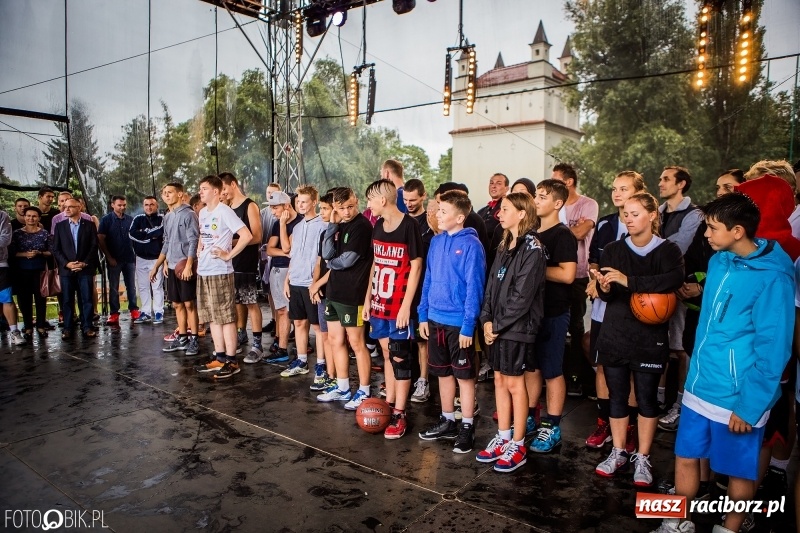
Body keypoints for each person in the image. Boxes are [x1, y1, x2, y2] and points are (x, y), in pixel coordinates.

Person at [651, 192, 794, 533]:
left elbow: (774, 348)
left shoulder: (774, 277)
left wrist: (751, 405)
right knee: (684, 456)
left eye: (713, 228)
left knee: (738, 471)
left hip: (738, 397)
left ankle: (728, 529)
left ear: (738, 231)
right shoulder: (719, 261)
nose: (706, 235)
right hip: (700, 387)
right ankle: (675, 521)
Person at [592, 192, 683, 486]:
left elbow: (672, 281)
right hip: (616, 330)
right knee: (617, 396)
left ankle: (642, 456)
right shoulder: (613, 250)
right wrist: (603, 285)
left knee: (645, 398)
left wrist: (629, 281)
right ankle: (618, 451)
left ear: (652, 215)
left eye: (635, 214)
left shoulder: (668, 251)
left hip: (650, 336)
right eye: (625, 214)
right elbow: (609, 293)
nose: (628, 219)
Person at [476, 192, 545, 472]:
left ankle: (518, 443)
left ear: (521, 213)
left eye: (505, 209)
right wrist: (487, 320)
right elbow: (491, 286)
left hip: (517, 329)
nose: (498, 214)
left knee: (516, 385)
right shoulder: (505, 244)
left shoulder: (534, 249)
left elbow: (522, 296)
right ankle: (503, 436)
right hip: (498, 327)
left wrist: (498, 325)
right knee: (500, 382)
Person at [417, 190, 486, 452]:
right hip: (434, 318)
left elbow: (474, 288)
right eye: (437, 210)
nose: (436, 215)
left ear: (459, 217)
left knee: (465, 378)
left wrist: (469, 325)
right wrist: (423, 314)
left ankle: (466, 426)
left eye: (442, 211)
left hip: (459, 323)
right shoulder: (436, 242)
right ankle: (448, 420)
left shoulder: (472, 245)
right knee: (443, 373)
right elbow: (428, 280)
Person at [585, 171, 647, 451]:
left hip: (635, 312)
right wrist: (593, 280)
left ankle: (630, 428)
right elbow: (593, 261)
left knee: (631, 372)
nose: (617, 193)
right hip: (603, 311)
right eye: (614, 189)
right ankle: (604, 424)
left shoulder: (650, 231)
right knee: (601, 367)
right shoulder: (607, 223)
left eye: (624, 188)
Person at [361, 179, 423, 439]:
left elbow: (417, 266)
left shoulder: (409, 226)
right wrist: (367, 299)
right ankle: (391, 403)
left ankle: (400, 412)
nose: (368, 205)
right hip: (379, 304)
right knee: (386, 353)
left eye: (370, 200)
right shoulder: (377, 226)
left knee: (400, 357)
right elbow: (375, 264)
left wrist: (407, 306)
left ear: (383, 200)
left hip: (399, 306)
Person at [526, 179, 577, 453]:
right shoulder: (531, 232)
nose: (536, 200)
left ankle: (552, 426)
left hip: (554, 312)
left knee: (552, 370)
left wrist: (531, 270)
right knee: (531, 367)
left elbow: (568, 275)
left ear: (557, 203)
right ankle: (531, 417)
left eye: (542, 196)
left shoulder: (562, 235)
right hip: (529, 313)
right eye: (536, 195)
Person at [316, 187, 374, 409]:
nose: (347, 211)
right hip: (334, 291)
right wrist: (332, 225)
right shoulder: (338, 224)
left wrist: (330, 264)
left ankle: (364, 390)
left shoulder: (362, 226)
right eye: (341, 208)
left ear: (356, 200)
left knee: (357, 343)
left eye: (350, 206)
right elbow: (327, 253)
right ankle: (342, 387)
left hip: (354, 293)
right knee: (335, 340)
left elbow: (347, 260)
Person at [656, 166, 703, 433]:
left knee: (680, 349)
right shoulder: (658, 212)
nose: (660, 183)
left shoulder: (694, 215)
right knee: (659, 346)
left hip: (679, 289)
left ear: (681, 184)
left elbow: (679, 246)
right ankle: (658, 397)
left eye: (666, 179)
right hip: (655, 289)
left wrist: (646, 246)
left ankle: (680, 405)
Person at [192, 175, 253, 379]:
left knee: (226, 318)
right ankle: (219, 357)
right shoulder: (201, 213)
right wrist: (201, 245)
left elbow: (246, 235)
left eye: (204, 188)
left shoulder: (225, 211)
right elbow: (204, 234)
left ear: (216, 192)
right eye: (200, 188)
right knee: (211, 317)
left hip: (220, 271)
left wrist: (228, 254)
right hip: (204, 270)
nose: (200, 192)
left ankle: (231, 360)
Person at [552, 163, 599, 398]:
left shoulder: (587, 204)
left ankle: (577, 377)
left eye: (556, 179)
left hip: (579, 274)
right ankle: (555, 374)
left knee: (576, 326)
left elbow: (581, 233)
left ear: (568, 182)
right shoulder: (554, 205)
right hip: (555, 272)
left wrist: (554, 230)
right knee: (555, 324)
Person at [280, 185, 327, 375]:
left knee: (317, 326)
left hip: (310, 283)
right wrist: (287, 280)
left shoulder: (323, 225)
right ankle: (301, 361)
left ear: (314, 202)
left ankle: (322, 364)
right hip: (295, 280)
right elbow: (291, 254)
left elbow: (320, 259)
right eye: (298, 201)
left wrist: (315, 284)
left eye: (304, 201)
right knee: (298, 322)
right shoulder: (297, 227)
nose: (300, 204)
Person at [152, 183, 200, 356]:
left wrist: (188, 265)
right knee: (177, 304)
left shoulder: (189, 214)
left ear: (180, 194)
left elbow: (193, 241)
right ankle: (183, 338)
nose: (166, 195)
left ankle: (194, 339)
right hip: (171, 266)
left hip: (184, 266)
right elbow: (166, 241)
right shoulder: (167, 216)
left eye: (170, 192)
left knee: (189, 303)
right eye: (164, 193)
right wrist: (159, 265)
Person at [220, 173, 264, 360]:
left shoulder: (250, 205)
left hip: (246, 262)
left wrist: (232, 242)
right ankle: (241, 334)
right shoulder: (227, 207)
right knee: (237, 302)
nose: (222, 193)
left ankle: (258, 345)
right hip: (230, 263)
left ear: (234, 185)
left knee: (250, 302)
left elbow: (257, 236)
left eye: (223, 188)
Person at [51, 199, 100, 340]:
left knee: (86, 299)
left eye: (70, 207)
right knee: (67, 300)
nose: (66, 209)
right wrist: (67, 264)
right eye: (64, 207)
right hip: (67, 270)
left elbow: (93, 246)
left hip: (85, 269)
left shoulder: (89, 225)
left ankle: (87, 327)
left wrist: (84, 263)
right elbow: (56, 248)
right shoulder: (60, 226)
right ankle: (67, 328)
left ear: (79, 208)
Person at [404, 178, 434, 403]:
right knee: (402, 338)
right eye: (405, 200)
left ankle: (423, 380)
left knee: (422, 340)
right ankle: (404, 377)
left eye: (413, 200)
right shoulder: (402, 221)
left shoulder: (430, 223)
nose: (409, 204)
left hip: (423, 288)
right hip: (402, 289)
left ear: (423, 196)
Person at [265, 191, 301, 363]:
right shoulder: (275, 223)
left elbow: (287, 247)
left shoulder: (298, 223)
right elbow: (270, 249)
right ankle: (281, 346)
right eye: (271, 208)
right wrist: (285, 254)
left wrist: (282, 225)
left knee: (291, 311)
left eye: (275, 207)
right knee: (281, 311)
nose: (273, 212)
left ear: (287, 206)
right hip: (277, 269)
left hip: (291, 272)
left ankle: (289, 348)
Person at [308, 191, 337, 392]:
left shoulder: (341, 232)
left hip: (337, 291)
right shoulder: (323, 233)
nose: (321, 212)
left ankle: (336, 377)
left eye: (325, 209)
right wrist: (314, 284)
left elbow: (335, 266)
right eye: (321, 208)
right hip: (322, 291)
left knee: (338, 339)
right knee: (325, 335)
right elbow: (319, 262)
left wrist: (318, 285)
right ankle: (329, 373)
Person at [11, 207, 52, 340]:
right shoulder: (17, 233)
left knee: (40, 299)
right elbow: (12, 252)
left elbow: (51, 252)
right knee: (24, 300)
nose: (31, 218)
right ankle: (28, 326)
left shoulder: (45, 233)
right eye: (28, 216)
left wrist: (39, 253)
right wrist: (25, 254)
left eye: (34, 216)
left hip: (39, 270)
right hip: (21, 271)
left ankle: (40, 325)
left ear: (39, 218)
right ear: (24, 217)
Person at [98, 195, 139, 325]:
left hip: (129, 258)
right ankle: (114, 313)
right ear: (113, 205)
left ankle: (134, 309)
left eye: (124, 205)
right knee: (114, 287)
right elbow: (100, 239)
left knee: (131, 286)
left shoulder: (130, 220)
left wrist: (136, 255)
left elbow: (135, 238)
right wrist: (109, 257)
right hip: (114, 259)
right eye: (119, 205)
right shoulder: (106, 220)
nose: (122, 207)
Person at [129, 196, 164, 324]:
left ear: (157, 206)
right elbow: (132, 234)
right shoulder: (138, 219)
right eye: (146, 205)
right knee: (143, 286)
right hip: (141, 258)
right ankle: (145, 312)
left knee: (157, 286)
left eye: (152, 204)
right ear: (143, 206)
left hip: (156, 259)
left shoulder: (162, 219)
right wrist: (150, 237)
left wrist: (143, 233)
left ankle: (159, 312)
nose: (149, 207)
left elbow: (161, 231)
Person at [0, 209, 27, 346]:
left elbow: (5, 239)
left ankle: (14, 332)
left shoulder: (2, 215)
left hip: (1, 265)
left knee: (7, 299)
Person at [260, 182, 282, 336]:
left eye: (273, 193)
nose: (270, 195)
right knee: (268, 290)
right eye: (268, 193)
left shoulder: (283, 214)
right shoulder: (262, 212)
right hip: (264, 255)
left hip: (278, 255)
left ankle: (284, 325)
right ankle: (274, 319)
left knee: (280, 292)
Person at [477, 172, 509, 247]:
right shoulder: (482, 211)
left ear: (506, 188)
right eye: (491, 183)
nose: (493, 186)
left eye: (498, 183)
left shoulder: (508, 208)